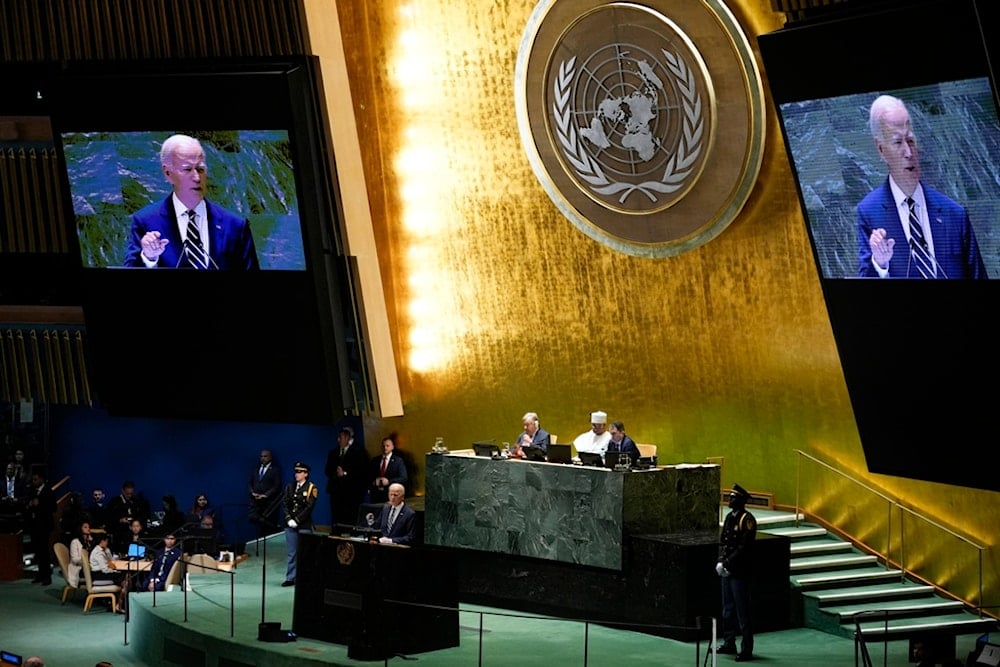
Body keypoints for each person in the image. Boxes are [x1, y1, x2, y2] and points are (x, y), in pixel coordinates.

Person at [857, 95, 987, 280]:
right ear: (881, 149)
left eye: (910, 140)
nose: (909, 153)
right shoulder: (869, 212)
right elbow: (864, 294)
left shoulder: (955, 214)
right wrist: (880, 264)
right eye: (897, 142)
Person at [123, 134, 259, 270]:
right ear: (167, 173)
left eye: (201, 169)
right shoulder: (146, 221)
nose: (197, 177)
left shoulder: (235, 226)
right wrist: (149, 258)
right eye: (187, 169)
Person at [716, 483, 757, 662]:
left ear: (740, 501)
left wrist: (727, 563)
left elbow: (744, 547)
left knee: (742, 612)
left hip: (739, 571)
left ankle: (746, 648)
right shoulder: (729, 518)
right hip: (727, 570)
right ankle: (729, 642)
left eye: (733, 498)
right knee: (728, 609)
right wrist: (720, 561)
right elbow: (724, 543)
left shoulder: (747, 520)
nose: (730, 500)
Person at [282, 461, 318, 587]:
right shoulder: (289, 487)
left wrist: (296, 520)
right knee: (292, 552)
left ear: (306, 474)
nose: (296, 474)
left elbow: (309, 507)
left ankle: (304, 577)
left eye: (299, 472)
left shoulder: (311, 488)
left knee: (304, 553)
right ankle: (290, 577)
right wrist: (288, 519)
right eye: (296, 472)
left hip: (304, 525)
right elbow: (285, 504)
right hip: (290, 525)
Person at [324, 426, 368, 528]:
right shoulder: (333, 453)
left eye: (341, 437)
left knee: (351, 518)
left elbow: (362, 472)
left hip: (352, 493)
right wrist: (336, 474)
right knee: (337, 518)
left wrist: (345, 474)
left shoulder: (359, 452)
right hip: (336, 492)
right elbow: (327, 470)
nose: (338, 440)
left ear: (348, 438)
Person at [26, 471, 55, 586]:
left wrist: (40, 504)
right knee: (37, 551)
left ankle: (47, 576)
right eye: (33, 480)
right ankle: (40, 574)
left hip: (45, 526)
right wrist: (29, 504)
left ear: (41, 479)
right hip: (34, 525)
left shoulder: (48, 491)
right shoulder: (32, 491)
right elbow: (28, 503)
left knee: (44, 551)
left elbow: (54, 507)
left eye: (36, 479)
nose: (34, 482)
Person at [89, 532, 128, 612]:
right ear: (102, 541)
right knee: (124, 576)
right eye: (106, 541)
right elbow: (105, 569)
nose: (107, 543)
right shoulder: (98, 552)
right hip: (99, 574)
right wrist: (114, 571)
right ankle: (120, 604)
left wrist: (107, 551)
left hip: (103, 573)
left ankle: (120, 603)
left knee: (125, 576)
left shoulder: (103, 550)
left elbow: (111, 561)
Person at [106, 481, 148, 548]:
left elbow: (141, 515)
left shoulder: (136, 501)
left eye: (131, 493)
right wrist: (120, 520)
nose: (129, 496)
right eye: (127, 494)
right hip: (119, 532)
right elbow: (109, 517)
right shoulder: (115, 502)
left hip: (133, 532)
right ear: (123, 491)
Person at [249, 449, 282, 530]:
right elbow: (250, 483)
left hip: (267, 503)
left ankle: (275, 529)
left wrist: (266, 495)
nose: (262, 458)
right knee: (253, 518)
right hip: (255, 502)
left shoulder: (275, 470)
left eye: (265, 456)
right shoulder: (256, 469)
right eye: (261, 456)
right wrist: (252, 492)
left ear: (270, 457)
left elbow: (276, 486)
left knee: (267, 526)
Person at [369, 436, 408, 504]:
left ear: (392, 447)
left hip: (391, 496)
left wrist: (389, 481)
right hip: (376, 496)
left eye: (387, 446)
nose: (385, 448)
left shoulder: (398, 461)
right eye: (383, 446)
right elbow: (368, 476)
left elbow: (403, 478)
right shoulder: (375, 460)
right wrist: (374, 482)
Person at [68, 520, 96, 588]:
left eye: (89, 527)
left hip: (89, 567)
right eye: (85, 527)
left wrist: (92, 542)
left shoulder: (88, 542)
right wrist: (86, 561)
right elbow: (75, 560)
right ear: (80, 529)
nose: (88, 529)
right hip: (79, 569)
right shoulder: (75, 542)